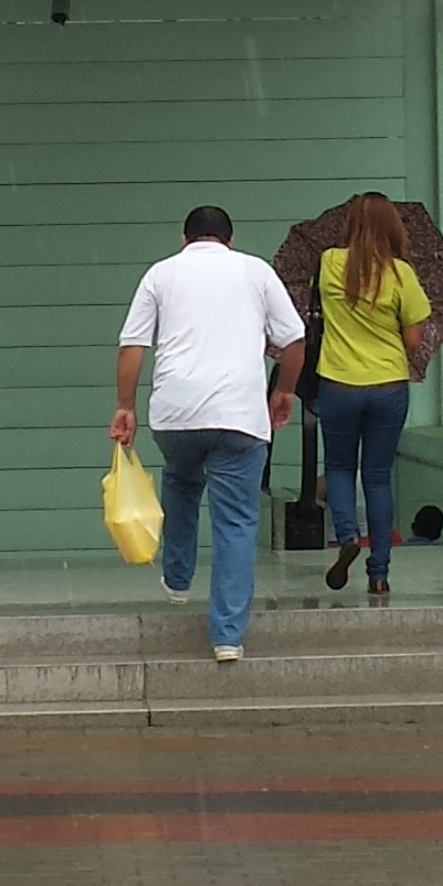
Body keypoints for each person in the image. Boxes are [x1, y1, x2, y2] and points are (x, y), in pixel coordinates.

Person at [112, 205, 304, 662]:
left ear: (185, 239)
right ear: (230, 241)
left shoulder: (161, 274)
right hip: (239, 416)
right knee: (235, 521)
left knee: (181, 479)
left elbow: (133, 346)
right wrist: (284, 391)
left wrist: (125, 405)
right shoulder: (255, 271)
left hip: (175, 413)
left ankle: (178, 578)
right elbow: (294, 341)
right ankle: (226, 636)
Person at [313, 191, 433, 605]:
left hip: (338, 382)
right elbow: (413, 341)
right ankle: (379, 574)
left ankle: (348, 535)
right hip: (388, 386)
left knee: (340, 467)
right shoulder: (402, 274)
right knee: (378, 477)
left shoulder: (329, 262)